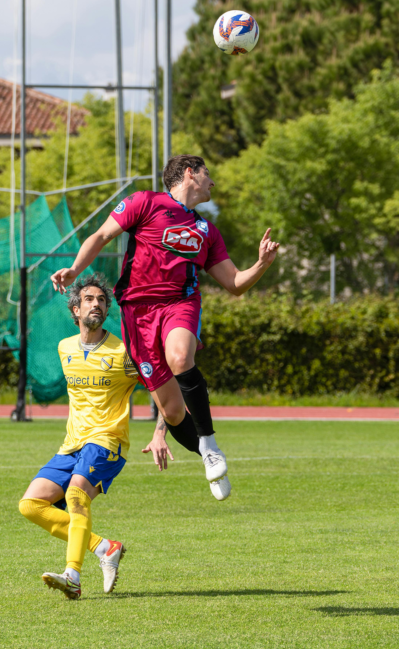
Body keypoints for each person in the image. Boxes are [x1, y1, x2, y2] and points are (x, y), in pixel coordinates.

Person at [50, 155, 279, 501]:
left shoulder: (207, 231)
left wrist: (261, 264)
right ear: (190, 173)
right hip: (137, 313)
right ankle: (206, 456)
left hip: (179, 303)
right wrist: (74, 268)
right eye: (208, 175)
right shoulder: (145, 202)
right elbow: (101, 235)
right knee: (171, 411)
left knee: (180, 356)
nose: (212, 183)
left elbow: (235, 283)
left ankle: (210, 444)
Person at [17, 275, 137, 600]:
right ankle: (103, 546)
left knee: (75, 496)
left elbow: (158, 383)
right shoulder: (65, 347)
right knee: (30, 505)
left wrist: (161, 430)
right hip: (72, 444)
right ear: (75, 309)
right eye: (88, 299)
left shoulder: (125, 353)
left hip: (108, 441)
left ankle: (72, 574)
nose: (96, 304)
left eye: (101, 300)